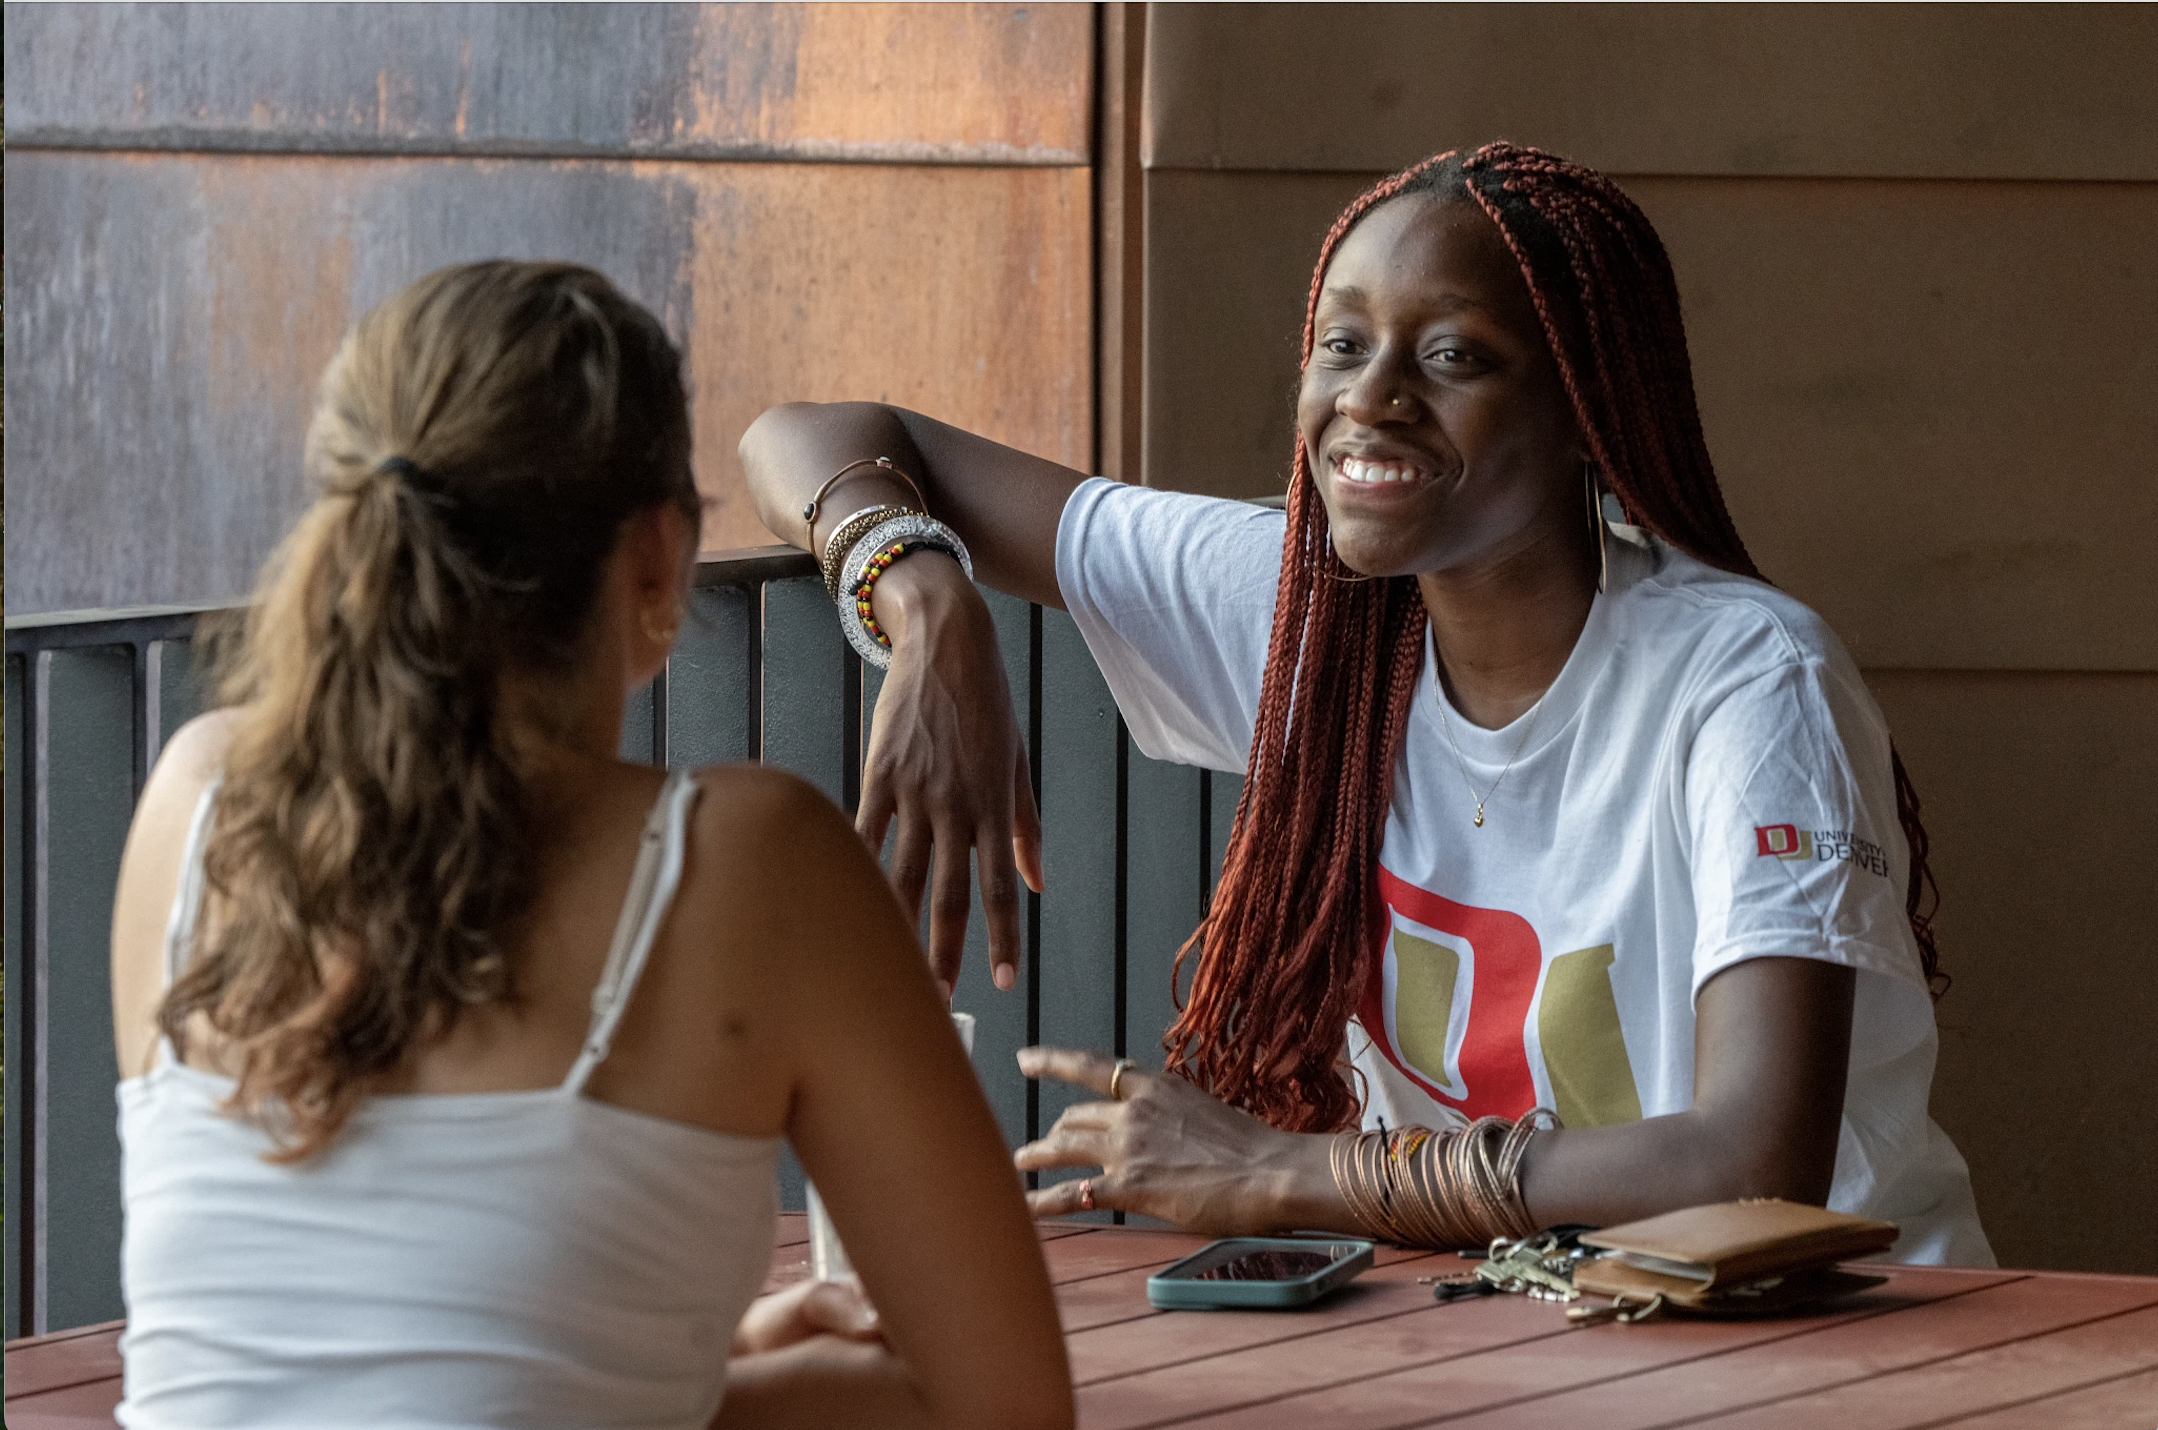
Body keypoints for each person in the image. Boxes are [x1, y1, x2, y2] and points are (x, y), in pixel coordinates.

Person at [739, 143, 1992, 1264]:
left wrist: (1284, 1170)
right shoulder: (1307, 614)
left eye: (1451, 356)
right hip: (1524, 1332)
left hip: (1844, 1340)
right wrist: (928, 603)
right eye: (1342, 343)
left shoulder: (1747, 682)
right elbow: (814, 432)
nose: (1371, 395)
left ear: (1582, 414)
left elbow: (1749, 1162)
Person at [108, 260, 1074, 1429]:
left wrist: (661, 1371)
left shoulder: (197, 805)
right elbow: (1006, 1409)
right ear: (658, 556)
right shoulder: (746, 860)